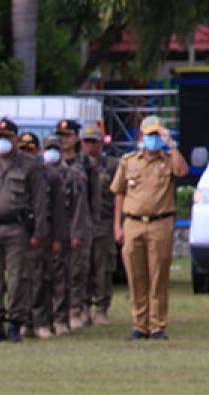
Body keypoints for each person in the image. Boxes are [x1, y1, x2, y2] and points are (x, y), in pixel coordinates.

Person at [0, 118, 47, 343]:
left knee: (17, 278)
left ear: (16, 138)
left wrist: (37, 233)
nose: (4, 142)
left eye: (8, 137)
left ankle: (15, 323)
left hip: (17, 228)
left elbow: (39, 202)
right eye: (0, 138)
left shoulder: (29, 165)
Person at [110, 116, 187, 340]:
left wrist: (171, 144)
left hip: (160, 223)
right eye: (149, 135)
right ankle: (139, 325)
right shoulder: (128, 161)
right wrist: (118, 225)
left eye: (157, 135)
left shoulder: (168, 159)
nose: (153, 139)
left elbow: (182, 171)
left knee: (158, 276)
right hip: (133, 222)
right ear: (141, 136)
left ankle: (157, 326)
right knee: (135, 276)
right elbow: (119, 193)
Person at [56, 119, 96, 331]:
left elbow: (93, 199)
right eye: (60, 136)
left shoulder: (86, 164)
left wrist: (89, 226)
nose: (64, 140)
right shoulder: (52, 162)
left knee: (78, 270)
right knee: (58, 271)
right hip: (58, 225)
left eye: (68, 135)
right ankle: (60, 312)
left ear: (77, 138)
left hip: (80, 223)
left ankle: (77, 309)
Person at [31, 134, 70, 339]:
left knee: (49, 278)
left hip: (48, 233)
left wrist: (57, 237)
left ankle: (49, 320)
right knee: (26, 280)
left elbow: (58, 211)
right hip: (24, 235)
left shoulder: (52, 176)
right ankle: (25, 321)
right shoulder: (21, 173)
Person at [82, 124, 119, 326]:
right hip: (82, 223)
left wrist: (117, 225)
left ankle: (102, 308)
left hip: (103, 222)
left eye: (93, 142)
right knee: (82, 268)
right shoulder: (77, 165)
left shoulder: (112, 165)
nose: (89, 146)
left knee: (103, 268)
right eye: (86, 142)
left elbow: (118, 196)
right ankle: (83, 307)